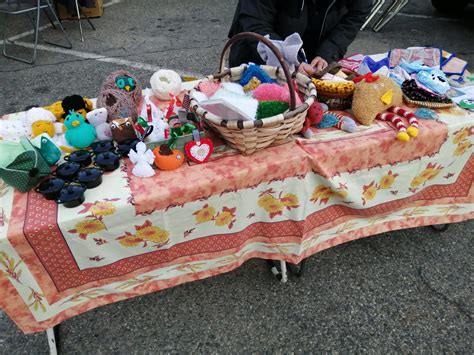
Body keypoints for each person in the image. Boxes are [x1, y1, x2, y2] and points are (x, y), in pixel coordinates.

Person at [228, 0, 372, 76]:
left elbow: (356, 14)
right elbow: (255, 22)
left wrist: (327, 53)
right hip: (257, 56)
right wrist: (291, 58)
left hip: (311, 57)